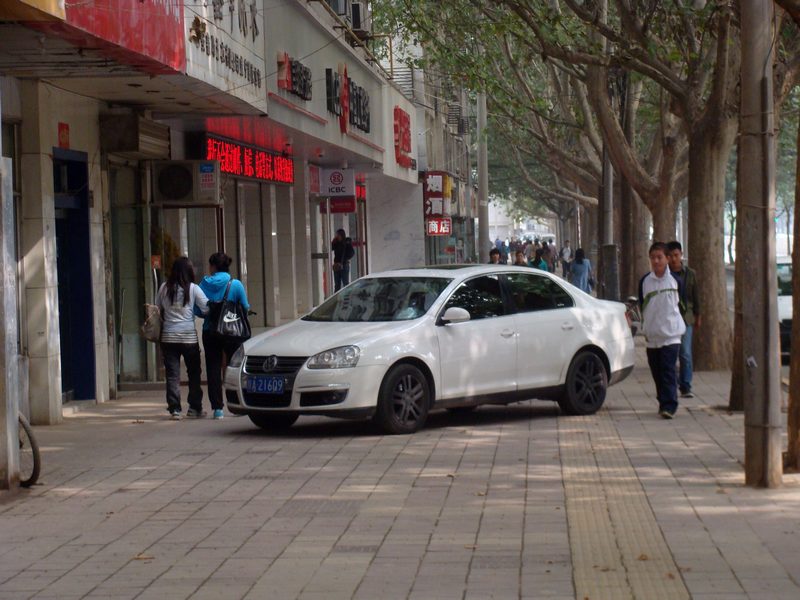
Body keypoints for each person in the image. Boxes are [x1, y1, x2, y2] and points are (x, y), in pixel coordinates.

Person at [198, 252, 250, 420]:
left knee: (213, 368)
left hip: (210, 331)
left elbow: (198, 309)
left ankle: (217, 409)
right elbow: (245, 307)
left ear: (213, 266)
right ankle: (235, 403)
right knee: (233, 367)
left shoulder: (203, 284)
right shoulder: (235, 284)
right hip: (232, 332)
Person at [156, 257, 209, 420]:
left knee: (172, 374)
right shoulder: (193, 288)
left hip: (168, 337)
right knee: (194, 373)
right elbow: (206, 308)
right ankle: (194, 408)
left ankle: (175, 409)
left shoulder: (164, 287)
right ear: (189, 271)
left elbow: (157, 308)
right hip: (188, 338)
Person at [639, 242, 686, 419]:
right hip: (652, 336)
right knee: (657, 372)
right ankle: (663, 401)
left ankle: (670, 405)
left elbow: (682, 305)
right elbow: (642, 305)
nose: (656, 261)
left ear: (667, 259)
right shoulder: (645, 282)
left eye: (659, 257)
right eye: (653, 258)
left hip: (671, 335)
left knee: (668, 370)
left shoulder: (675, 281)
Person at [666, 241, 701, 398]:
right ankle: (672, 384)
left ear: (681, 255)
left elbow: (696, 296)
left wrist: (698, 316)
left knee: (685, 353)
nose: (674, 259)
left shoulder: (690, 274)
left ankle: (686, 385)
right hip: (669, 319)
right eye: (670, 256)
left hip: (686, 318)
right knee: (671, 354)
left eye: (676, 255)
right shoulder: (664, 275)